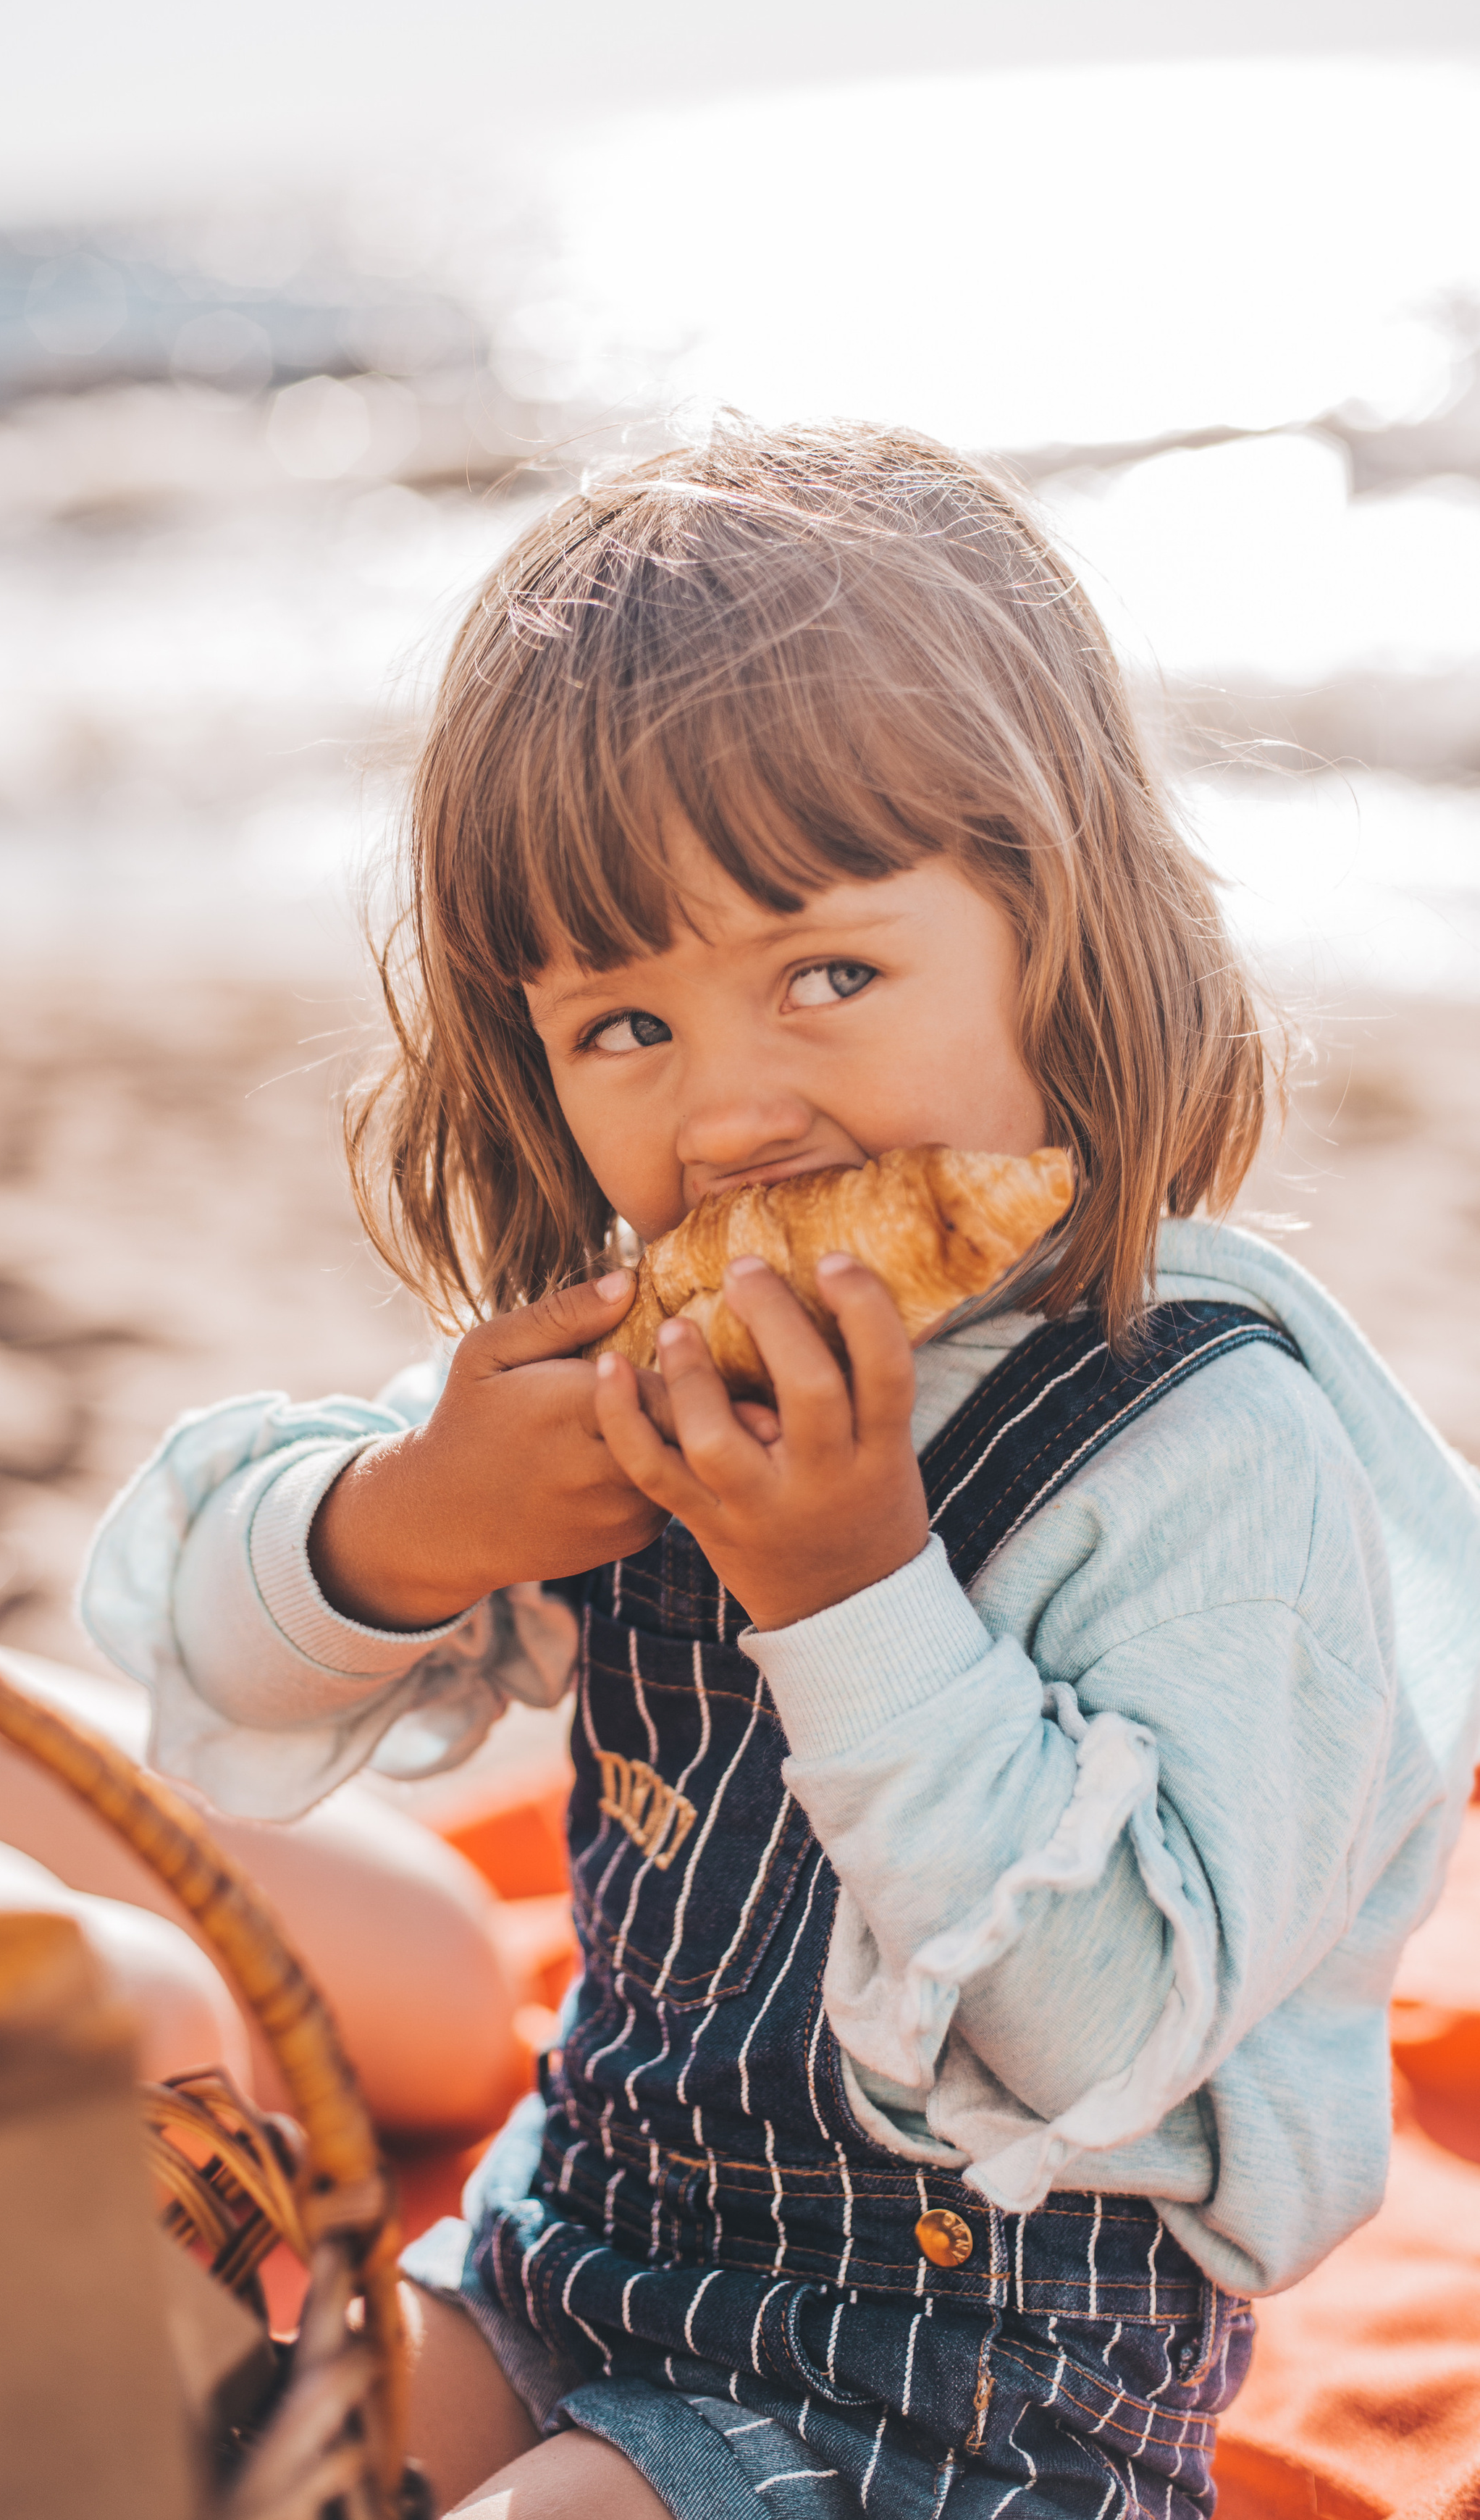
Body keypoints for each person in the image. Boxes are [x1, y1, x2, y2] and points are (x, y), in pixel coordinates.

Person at [79, 421, 1480, 2519]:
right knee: (176, 2455)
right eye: (625, 1025)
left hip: (952, 2392)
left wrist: (851, 1590)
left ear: (1056, 933)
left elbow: (1104, 2035)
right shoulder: (638, 1360)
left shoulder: (1202, 1442)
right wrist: (414, 1524)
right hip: (578, 2254)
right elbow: (204, 1678)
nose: (731, 1113)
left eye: (829, 973)